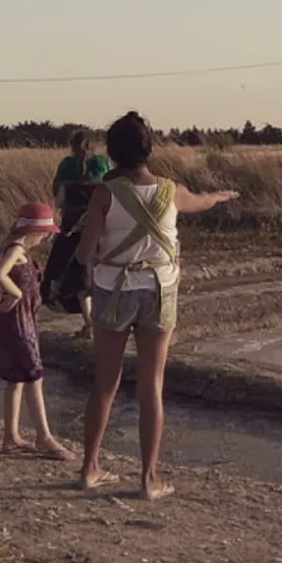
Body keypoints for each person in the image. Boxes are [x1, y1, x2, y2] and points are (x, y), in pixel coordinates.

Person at [74, 111, 237, 499]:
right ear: (149, 149)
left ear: (113, 153)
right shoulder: (171, 190)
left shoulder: (104, 194)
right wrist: (219, 196)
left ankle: (90, 468)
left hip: (113, 290)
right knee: (152, 386)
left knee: (105, 384)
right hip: (160, 291)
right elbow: (200, 202)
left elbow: (83, 254)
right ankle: (149, 479)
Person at [0, 201, 70, 459]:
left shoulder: (13, 249)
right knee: (35, 375)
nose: (44, 239)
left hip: (18, 320)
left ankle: (11, 437)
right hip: (19, 323)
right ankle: (44, 436)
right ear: (34, 231)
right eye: (44, 234)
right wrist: (16, 294)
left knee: (17, 379)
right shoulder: (16, 250)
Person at [41, 127, 114, 324]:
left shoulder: (66, 165)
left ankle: (88, 322)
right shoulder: (103, 163)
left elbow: (59, 199)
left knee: (78, 275)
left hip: (72, 226)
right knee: (102, 271)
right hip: (100, 225)